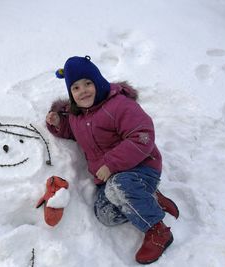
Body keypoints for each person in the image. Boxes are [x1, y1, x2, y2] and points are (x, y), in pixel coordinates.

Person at [45, 56, 179, 264]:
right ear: (71, 94)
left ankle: (157, 230)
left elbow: (142, 135)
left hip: (141, 167)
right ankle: (145, 198)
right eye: (76, 88)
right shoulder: (77, 117)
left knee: (120, 185)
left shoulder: (119, 106)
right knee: (105, 215)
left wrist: (111, 164)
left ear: (98, 81)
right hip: (110, 180)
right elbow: (72, 131)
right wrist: (57, 123)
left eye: (88, 83)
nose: (84, 91)